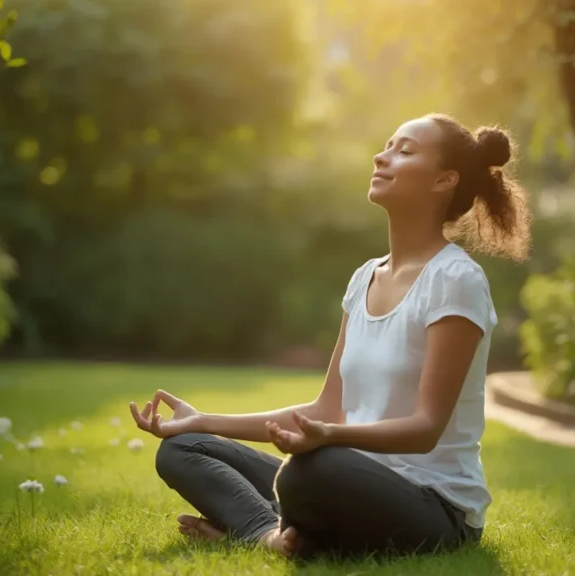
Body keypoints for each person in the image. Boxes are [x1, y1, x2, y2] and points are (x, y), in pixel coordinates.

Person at [129, 113, 531, 560]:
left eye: (405, 150)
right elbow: (325, 409)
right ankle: (272, 533)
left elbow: (425, 430)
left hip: (433, 506)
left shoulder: (456, 279)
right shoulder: (364, 279)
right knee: (182, 450)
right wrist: (201, 420)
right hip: (343, 476)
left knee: (309, 471)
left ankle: (280, 531)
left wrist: (330, 438)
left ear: (444, 180)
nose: (382, 156)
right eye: (387, 145)